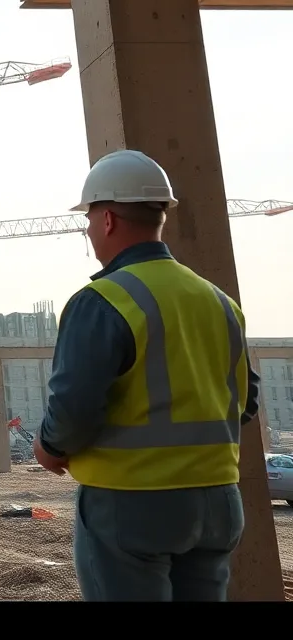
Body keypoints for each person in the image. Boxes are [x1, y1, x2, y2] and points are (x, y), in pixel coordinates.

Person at [33, 149, 261, 601]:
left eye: (90, 217)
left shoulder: (102, 301)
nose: (89, 228)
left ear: (108, 220)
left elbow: (74, 406)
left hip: (131, 501)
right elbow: (245, 402)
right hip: (218, 501)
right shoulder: (219, 302)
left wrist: (50, 446)